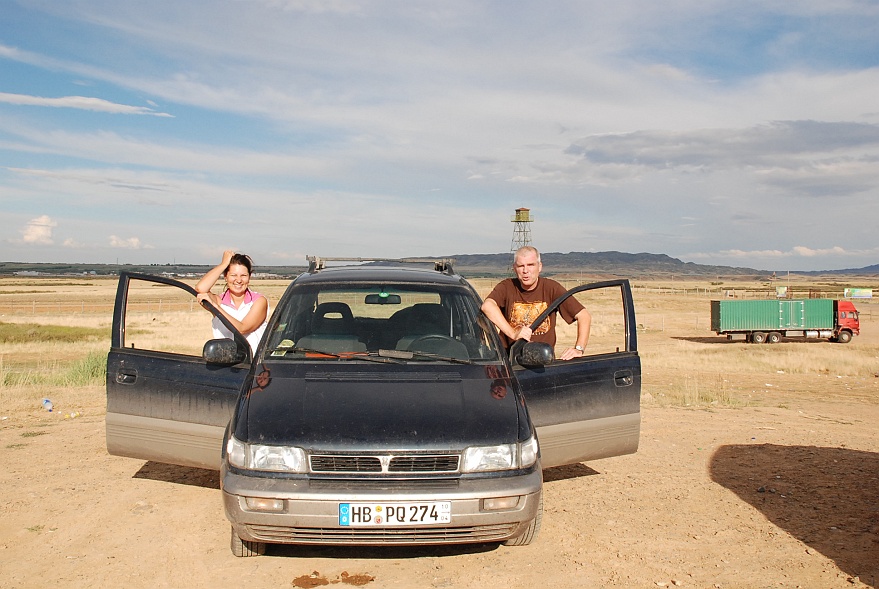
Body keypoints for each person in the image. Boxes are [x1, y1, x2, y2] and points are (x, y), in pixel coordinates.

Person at [481, 246, 591, 361]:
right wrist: (513, 333)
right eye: (520, 266)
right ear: (514, 268)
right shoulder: (507, 287)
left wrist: (579, 349)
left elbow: (584, 316)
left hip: (542, 362)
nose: (525, 271)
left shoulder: (552, 288)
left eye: (531, 265)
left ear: (540, 267)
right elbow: (487, 306)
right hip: (510, 361)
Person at [196, 250, 269, 353]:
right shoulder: (219, 301)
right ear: (225, 277)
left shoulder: (259, 301)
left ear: (249, 277)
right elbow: (200, 289)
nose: (238, 280)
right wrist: (223, 264)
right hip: (225, 365)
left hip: (254, 365)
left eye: (243, 275)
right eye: (233, 275)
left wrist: (216, 308)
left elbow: (242, 329)